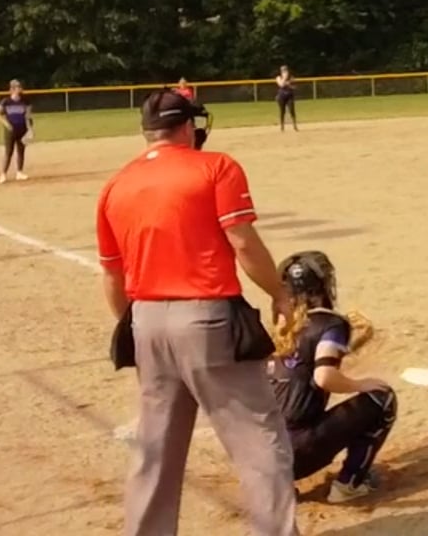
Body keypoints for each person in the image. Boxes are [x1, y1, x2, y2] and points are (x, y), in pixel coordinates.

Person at [95, 89, 301, 536]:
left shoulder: (116, 184)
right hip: (207, 318)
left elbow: (112, 274)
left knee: (155, 449)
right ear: (189, 127)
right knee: (258, 440)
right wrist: (279, 293)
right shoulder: (216, 167)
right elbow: (243, 242)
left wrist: (134, 326)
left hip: (146, 320)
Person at [268, 250, 397, 504]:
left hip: (259, 457)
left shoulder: (281, 325)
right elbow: (324, 377)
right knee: (383, 399)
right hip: (297, 453)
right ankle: (349, 485)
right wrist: (360, 385)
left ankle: (276, 487)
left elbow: (297, 365)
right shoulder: (331, 323)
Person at [0, 80, 33, 183]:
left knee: (21, 151)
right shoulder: (6, 101)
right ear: (12, 89)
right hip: (10, 130)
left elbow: (28, 116)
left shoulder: (25, 101)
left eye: (20, 86)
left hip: (22, 129)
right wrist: (6, 124)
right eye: (18, 87)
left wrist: (30, 129)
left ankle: (19, 172)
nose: (20, 88)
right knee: (9, 152)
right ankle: (3, 174)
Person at [275, 66, 298, 132]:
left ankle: (295, 126)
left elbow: (294, 87)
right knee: (282, 111)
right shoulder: (278, 77)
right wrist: (285, 79)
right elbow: (281, 85)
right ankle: (282, 126)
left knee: (292, 110)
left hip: (289, 96)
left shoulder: (291, 77)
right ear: (281, 71)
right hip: (281, 96)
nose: (284, 72)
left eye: (285, 70)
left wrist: (289, 84)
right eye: (283, 71)